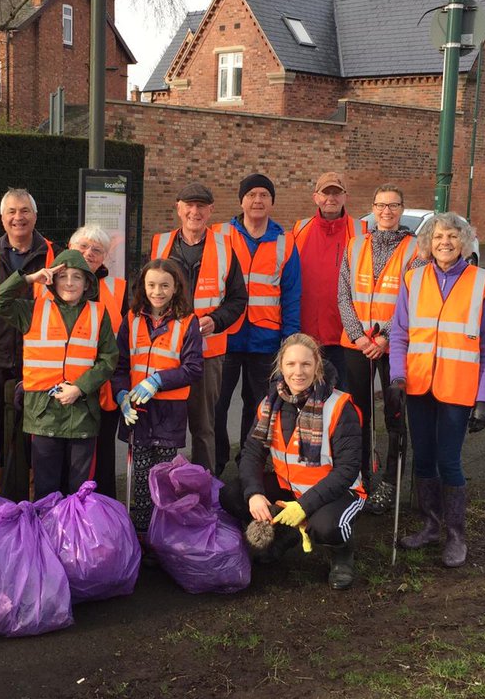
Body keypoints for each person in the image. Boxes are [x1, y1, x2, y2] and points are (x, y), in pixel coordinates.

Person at [388, 212, 485, 568]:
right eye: (438, 237)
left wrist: (484, 399)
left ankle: (455, 535)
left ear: (464, 241)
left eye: (452, 236)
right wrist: (396, 378)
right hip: (418, 385)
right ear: (428, 243)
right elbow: (400, 335)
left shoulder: (482, 283)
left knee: (448, 460)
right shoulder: (413, 280)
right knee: (423, 458)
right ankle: (431, 526)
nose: (445, 243)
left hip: (457, 389)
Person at [220, 333, 365, 590]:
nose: (298, 372)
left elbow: (347, 471)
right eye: (291, 364)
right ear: (281, 366)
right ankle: (285, 533)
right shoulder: (270, 404)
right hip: (290, 485)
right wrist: (254, 494)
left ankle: (342, 555)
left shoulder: (340, 406)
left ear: (317, 366)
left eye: (306, 364)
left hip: (337, 491)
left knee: (327, 527)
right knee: (232, 494)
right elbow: (252, 453)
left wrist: (304, 507)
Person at [0, 249, 118, 499]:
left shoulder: (98, 313)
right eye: (63, 276)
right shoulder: (32, 310)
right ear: (52, 281)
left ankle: (74, 535)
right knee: (46, 487)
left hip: (82, 414)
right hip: (43, 414)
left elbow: (108, 358)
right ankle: (48, 533)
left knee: (79, 489)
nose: (69, 282)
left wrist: (80, 387)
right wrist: (28, 278)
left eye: (77, 277)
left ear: (87, 283)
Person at [150, 182, 248, 476]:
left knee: (204, 425)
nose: (195, 212)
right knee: (160, 422)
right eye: (189, 205)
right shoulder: (159, 245)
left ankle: (205, 486)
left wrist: (216, 320)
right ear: (178, 208)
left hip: (208, 353)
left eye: (201, 206)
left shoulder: (226, 248)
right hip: (164, 352)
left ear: (210, 211)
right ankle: (160, 483)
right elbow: (143, 294)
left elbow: (238, 299)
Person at [0, 188, 57, 499]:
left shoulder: (53, 254)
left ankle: (32, 491)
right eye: (12, 212)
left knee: (37, 429)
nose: (18, 217)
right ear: (2, 218)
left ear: (35, 215)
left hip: (40, 358)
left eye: (24, 211)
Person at [337, 184, 424, 511]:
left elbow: (411, 299)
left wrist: (385, 337)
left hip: (396, 345)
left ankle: (390, 482)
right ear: (372, 209)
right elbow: (343, 294)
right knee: (357, 415)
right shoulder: (356, 244)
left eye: (393, 205)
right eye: (380, 205)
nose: (386, 211)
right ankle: (358, 477)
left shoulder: (416, 249)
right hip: (356, 344)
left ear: (401, 209)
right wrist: (359, 336)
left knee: (394, 415)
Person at [213, 173, 302, 473]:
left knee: (258, 409)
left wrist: (290, 341)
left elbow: (291, 295)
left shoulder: (285, 242)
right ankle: (216, 461)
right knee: (217, 405)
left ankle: (247, 465)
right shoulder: (220, 234)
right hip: (224, 337)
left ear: (272, 202)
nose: (258, 200)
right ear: (241, 200)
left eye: (264, 195)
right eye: (251, 195)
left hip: (266, 339)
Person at [111, 259, 204, 537]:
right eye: (151, 285)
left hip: (169, 413)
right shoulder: (131, 318)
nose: (157, 291)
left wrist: (158, 381)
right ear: (143, 286)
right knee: (139, 476)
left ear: (176, 288)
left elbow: (193, 368)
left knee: (162, 478)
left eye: (165, 285)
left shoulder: (188, 321)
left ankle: (161, 534)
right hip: (137, 412)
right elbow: (120, 366)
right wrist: (121, 395)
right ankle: (139, 534)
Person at [69, 224, 126, 501]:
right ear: (70, 249)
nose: (89, 253)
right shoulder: (49, 287)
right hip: (66, 388)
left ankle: (103, 515)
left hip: (104, 385)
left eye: (97, 250)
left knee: (103, 454)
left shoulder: (119, 289)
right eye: (83, 246)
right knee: (70, 460)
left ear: (104, 258)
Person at [292, 172, 364, 390]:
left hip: (345, 337)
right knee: (307, 402)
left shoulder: (361, 232)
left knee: (343, 400)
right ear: (316, 197)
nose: (330, 198)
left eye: (336, 193)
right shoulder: (299, 229)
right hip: (307, 336)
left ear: (345, 197)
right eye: (326, 193)